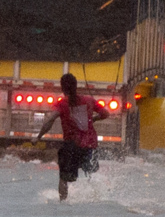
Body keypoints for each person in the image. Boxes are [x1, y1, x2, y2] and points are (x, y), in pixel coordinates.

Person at [35, 73, 109, 201]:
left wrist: (38, 137)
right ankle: (97, 198)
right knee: (92, 174)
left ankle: (63, 203)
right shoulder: (89, 101)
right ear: (76, 86)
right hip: (90, 145)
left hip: (72, 146)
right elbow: (105, 113)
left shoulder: (62, 104)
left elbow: (49, 120)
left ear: (63, 88)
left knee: (64, 179)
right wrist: (94, 118)